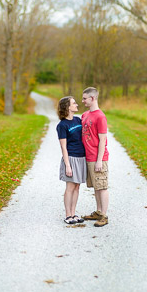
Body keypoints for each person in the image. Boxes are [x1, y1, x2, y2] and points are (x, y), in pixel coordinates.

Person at [80, 87, 109, 227]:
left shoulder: (100, 116)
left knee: (102, 187)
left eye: (85, 98)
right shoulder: (85, 115)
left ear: (92, 98)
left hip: (98, 158)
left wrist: (99, 160)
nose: (83, 101)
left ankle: (104, 215)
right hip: (88, 157)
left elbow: (102, 140)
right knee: (96, 187)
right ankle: (98, 212)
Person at [57, 96, 86, 225]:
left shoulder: (78, 120)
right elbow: (63, 147)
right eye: (74, 103)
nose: (76, 104)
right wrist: (67, 165)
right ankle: (68, 215)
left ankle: (74, 213)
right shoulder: (62, 125)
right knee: (70, 187)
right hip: (71, 158)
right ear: (68, 107)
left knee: (77, 186)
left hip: (81, 157)